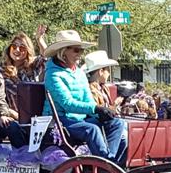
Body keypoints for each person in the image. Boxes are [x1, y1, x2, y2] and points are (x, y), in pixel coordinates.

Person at [43, 29, 127, 164]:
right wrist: (96, 109)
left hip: (80, 119)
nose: (80, 54)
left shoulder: (79, 73)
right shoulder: (53, 75)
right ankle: (105, 164)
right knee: (92, 129)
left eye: (81, 50)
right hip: (62, 121)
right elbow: (67, 103)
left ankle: (109, 161)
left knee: (117, 123)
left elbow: (87, 99)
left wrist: (100, 113)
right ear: (63, 52)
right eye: (76, 50)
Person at [0, 32, 46, 115]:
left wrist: (39, 40)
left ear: (28, 51)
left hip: (34, 115)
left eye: (22, 48)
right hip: (10, 116)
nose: (17, 50)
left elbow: (46, 57)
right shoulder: (1, 70)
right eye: (14, 46)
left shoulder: (33, 65)